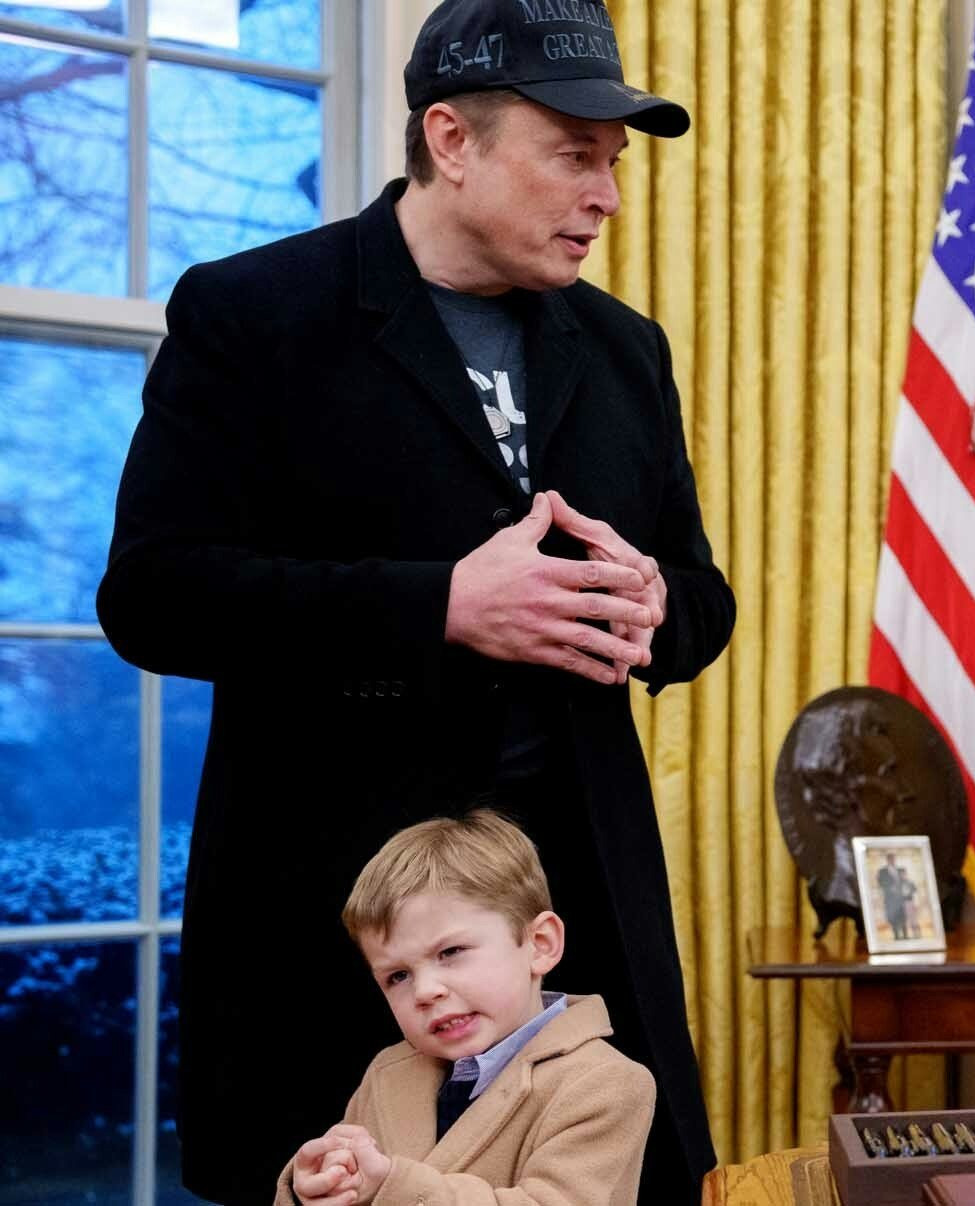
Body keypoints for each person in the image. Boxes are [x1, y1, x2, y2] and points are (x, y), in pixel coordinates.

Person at [96, 1, 731, 1199]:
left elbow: (698, 599)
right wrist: (437, 605)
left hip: (576, 907)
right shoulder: (254, 314)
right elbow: (154, 595)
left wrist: (657, 611)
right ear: (451, 139)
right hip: (333, 920)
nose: (605, 196)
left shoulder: (625, 348)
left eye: (613, 164)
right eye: (573, 156)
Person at [277, 811, 653, 1205]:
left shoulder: (606, 1084)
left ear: (540, 943)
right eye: (398, 976)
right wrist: (316, 1189)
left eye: (451, 952)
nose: (425, 991)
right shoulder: (387, 1073)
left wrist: (394, 1185)